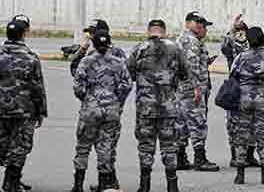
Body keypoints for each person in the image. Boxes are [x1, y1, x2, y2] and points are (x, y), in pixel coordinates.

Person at [127, 19, 188, 192]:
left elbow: (129, 73)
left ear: (149, 31)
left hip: (145, 106)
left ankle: (144, 185)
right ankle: (172, 185)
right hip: (168, 106)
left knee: (146, 145)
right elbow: (185, 73)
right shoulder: (175, 48)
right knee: (169, 146)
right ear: (164, 30)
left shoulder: (139, 48)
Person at [70, 29, 132, 192]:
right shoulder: (118, 62)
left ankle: (78, 185)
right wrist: (117, 100)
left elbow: (77, 86)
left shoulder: (86, 61)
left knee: (83, 147)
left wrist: (87, 98)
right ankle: (105, 184)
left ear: (94, 43)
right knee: (105, 147)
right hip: (111, 109)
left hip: (91, 108)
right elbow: (127, 85)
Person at [0, 20, 47, 192]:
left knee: (3, 144)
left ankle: (11, 181)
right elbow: (37, 87)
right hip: (23, 110)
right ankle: (11, 182)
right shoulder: (30, 57)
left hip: (1, 110)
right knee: (20, 146)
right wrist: (41, 111)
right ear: (23, 34)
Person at [230, 27, 264, 185]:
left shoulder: (241, 57)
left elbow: (233, 76)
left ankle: (240, 174)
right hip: (263, 99)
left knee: (242, 135)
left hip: (243, 99)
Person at [176, 12, 219, 172]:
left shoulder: (181, 39)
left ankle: (179, 157)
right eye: (198, 23)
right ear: (188, 23)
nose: (202, 27)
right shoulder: (192, 41)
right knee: (197, 122)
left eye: (203, 24)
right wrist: (196, 87)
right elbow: (191, 66)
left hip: (181, 89)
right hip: (192, 89)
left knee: (181, 123)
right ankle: (200, 158)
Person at [220, 15, 257, 167]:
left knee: (252, 124)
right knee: (234, 124)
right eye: (238, 32)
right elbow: (225, 46)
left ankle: (249, 155)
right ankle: (235, 156)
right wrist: (232, 29)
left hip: (251, 89)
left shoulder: (251, 48)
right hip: (235, 89)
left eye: (243, 31)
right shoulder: (231, 47)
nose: (240, 34)